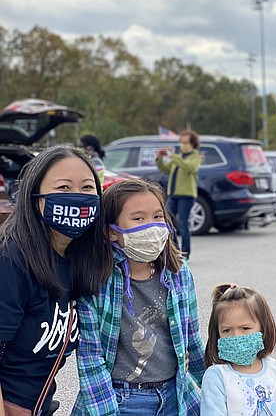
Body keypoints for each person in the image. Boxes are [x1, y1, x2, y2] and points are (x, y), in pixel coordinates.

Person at [73, 178, 206, 415]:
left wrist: (217, 385)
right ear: (111, 232)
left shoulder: (178, 272)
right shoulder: (95, 280)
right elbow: (91, 359)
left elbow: (192, 341)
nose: (151, 227)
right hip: (121, 399)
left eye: (157, 217)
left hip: (175, 395)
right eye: (138, 218)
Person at [0, 145, 113, 415]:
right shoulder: (11, 261)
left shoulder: (79, 259)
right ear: (34, 196)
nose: (77, 197)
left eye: (87, 188)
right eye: (63, 188)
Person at [201, 284, 276, 415]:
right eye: (226, 330)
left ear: (262, 329)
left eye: (245, 328)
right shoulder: (217, 377)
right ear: (217, 334)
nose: (236, 337)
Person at [156, 130, 202, 259]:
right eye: (181, 142)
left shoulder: (195, 157)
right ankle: (174, 250)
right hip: (174, 194)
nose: (183, 145)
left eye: (185, 142)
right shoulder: (178, 158)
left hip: (186, 195)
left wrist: (174, 156)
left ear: (192, 144)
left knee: (182, 223)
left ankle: (185, 253)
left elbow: (190, 168)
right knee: (168, 221)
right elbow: (165, 168)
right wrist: (159, 158)